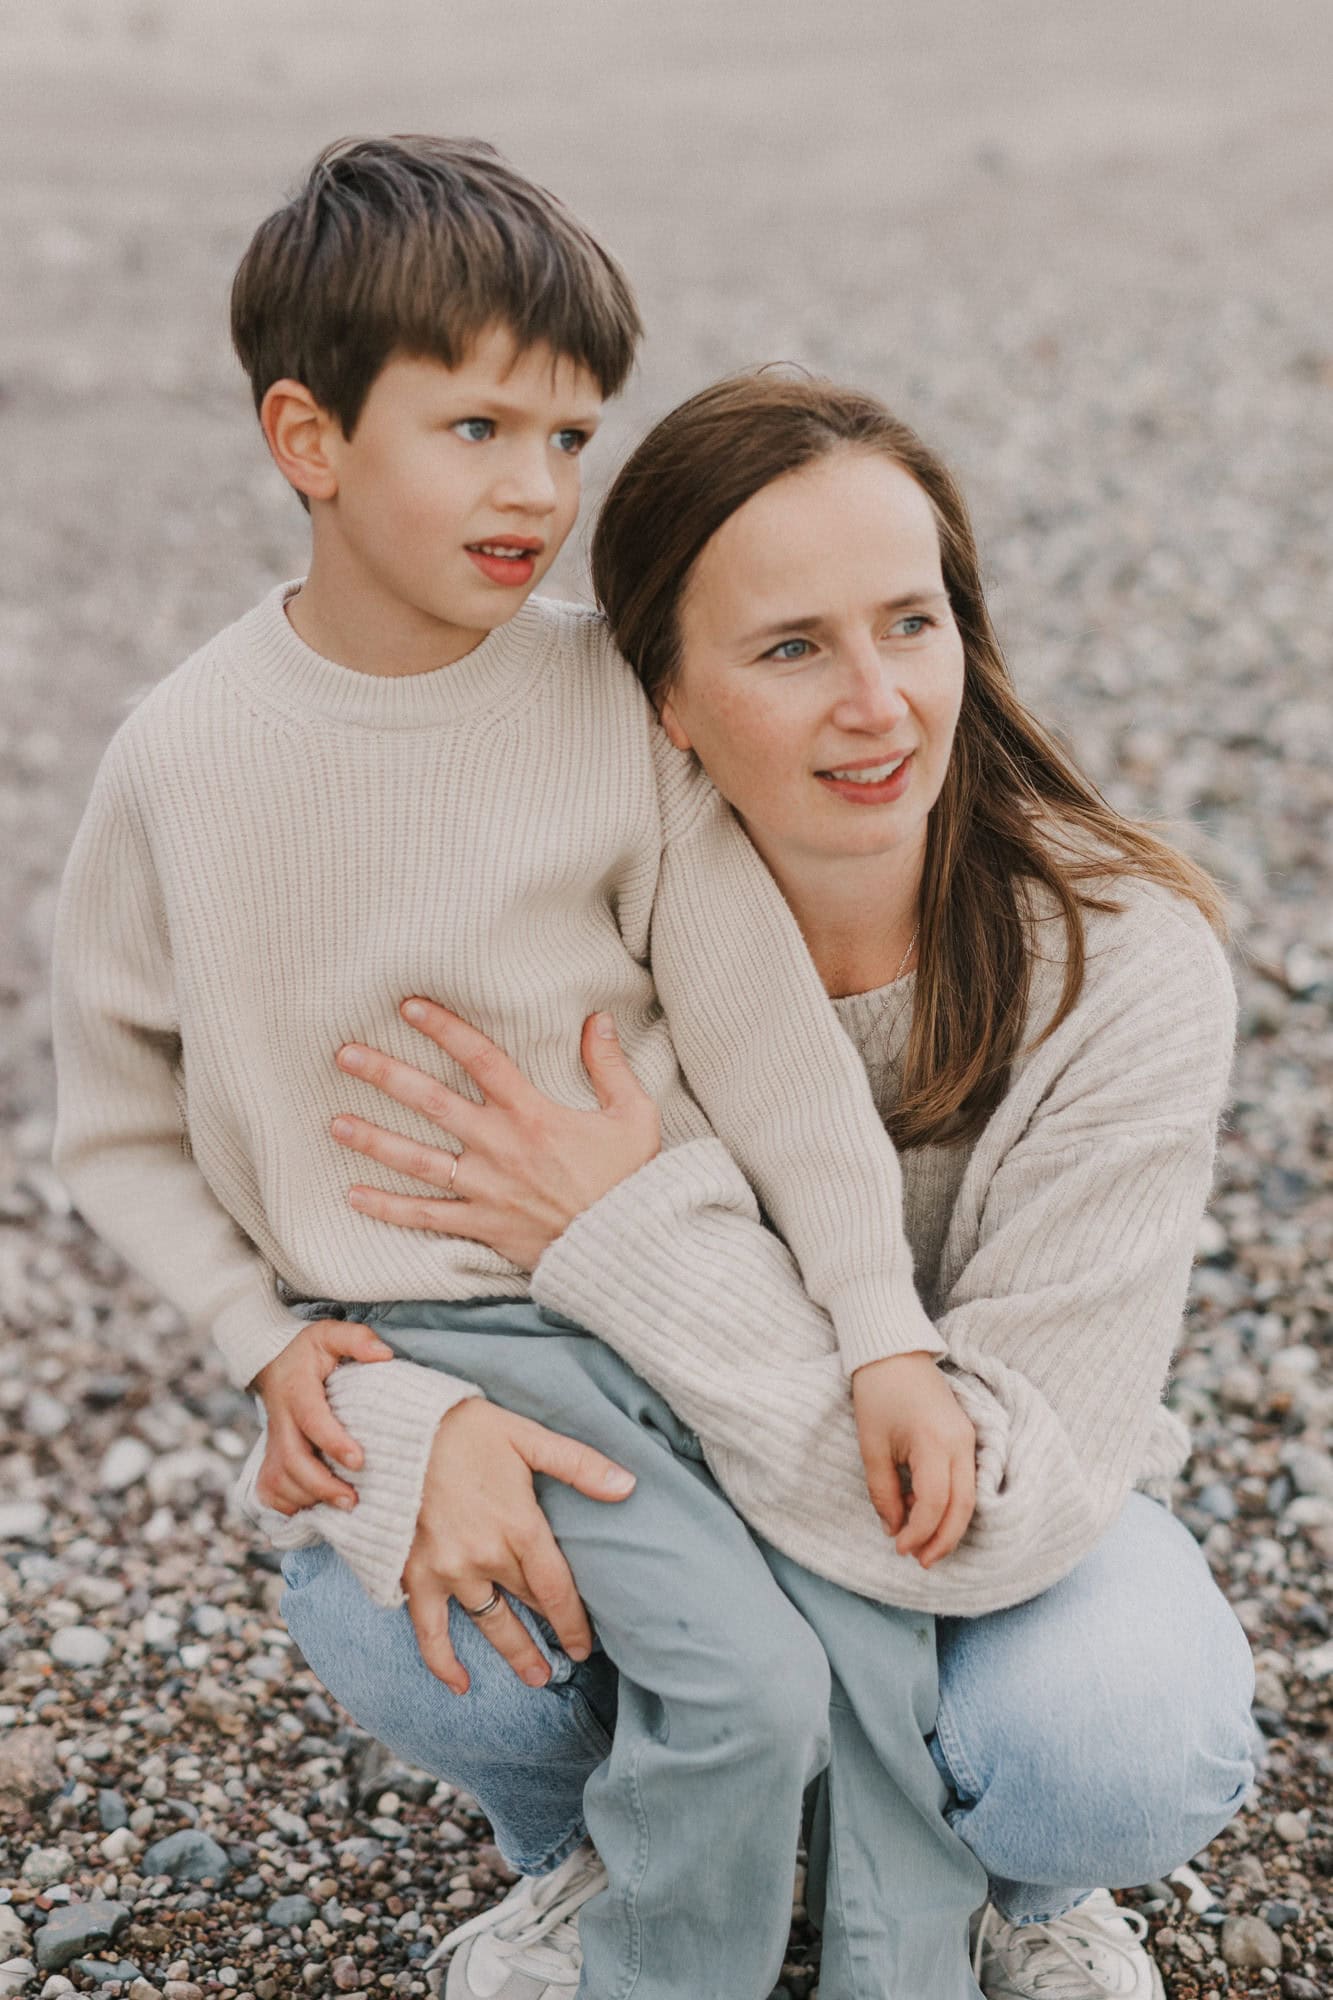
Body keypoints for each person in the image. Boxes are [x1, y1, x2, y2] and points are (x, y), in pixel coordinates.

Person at [50, 137, 1001, 2000]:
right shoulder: (184, 759)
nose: (538, 489)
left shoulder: (603, 700)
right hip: (446, 1342)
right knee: (738, 1688)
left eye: (569, 438)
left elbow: (768, 1052)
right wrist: (258, 1332)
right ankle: (657, 1957)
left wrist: (879, 1328)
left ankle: (915, 1966)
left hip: (682, 1271)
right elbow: (115, 1123)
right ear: (309, 441)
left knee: (881, 1626)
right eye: (478, 429)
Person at [272, 375, 1259, 2000]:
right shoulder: (531, 931)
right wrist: (402, 1428)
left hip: (984, 1570)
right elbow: (368, 1305)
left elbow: (998, 1502)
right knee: (376, 1576)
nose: (876, 704)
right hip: (658, 1547)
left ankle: (1011, 1882)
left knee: (1117, 1739)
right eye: (791, 648)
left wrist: (622, 1229)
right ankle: (602, 1844)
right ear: (662, 694)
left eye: (909, 625)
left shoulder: (1122, 963)